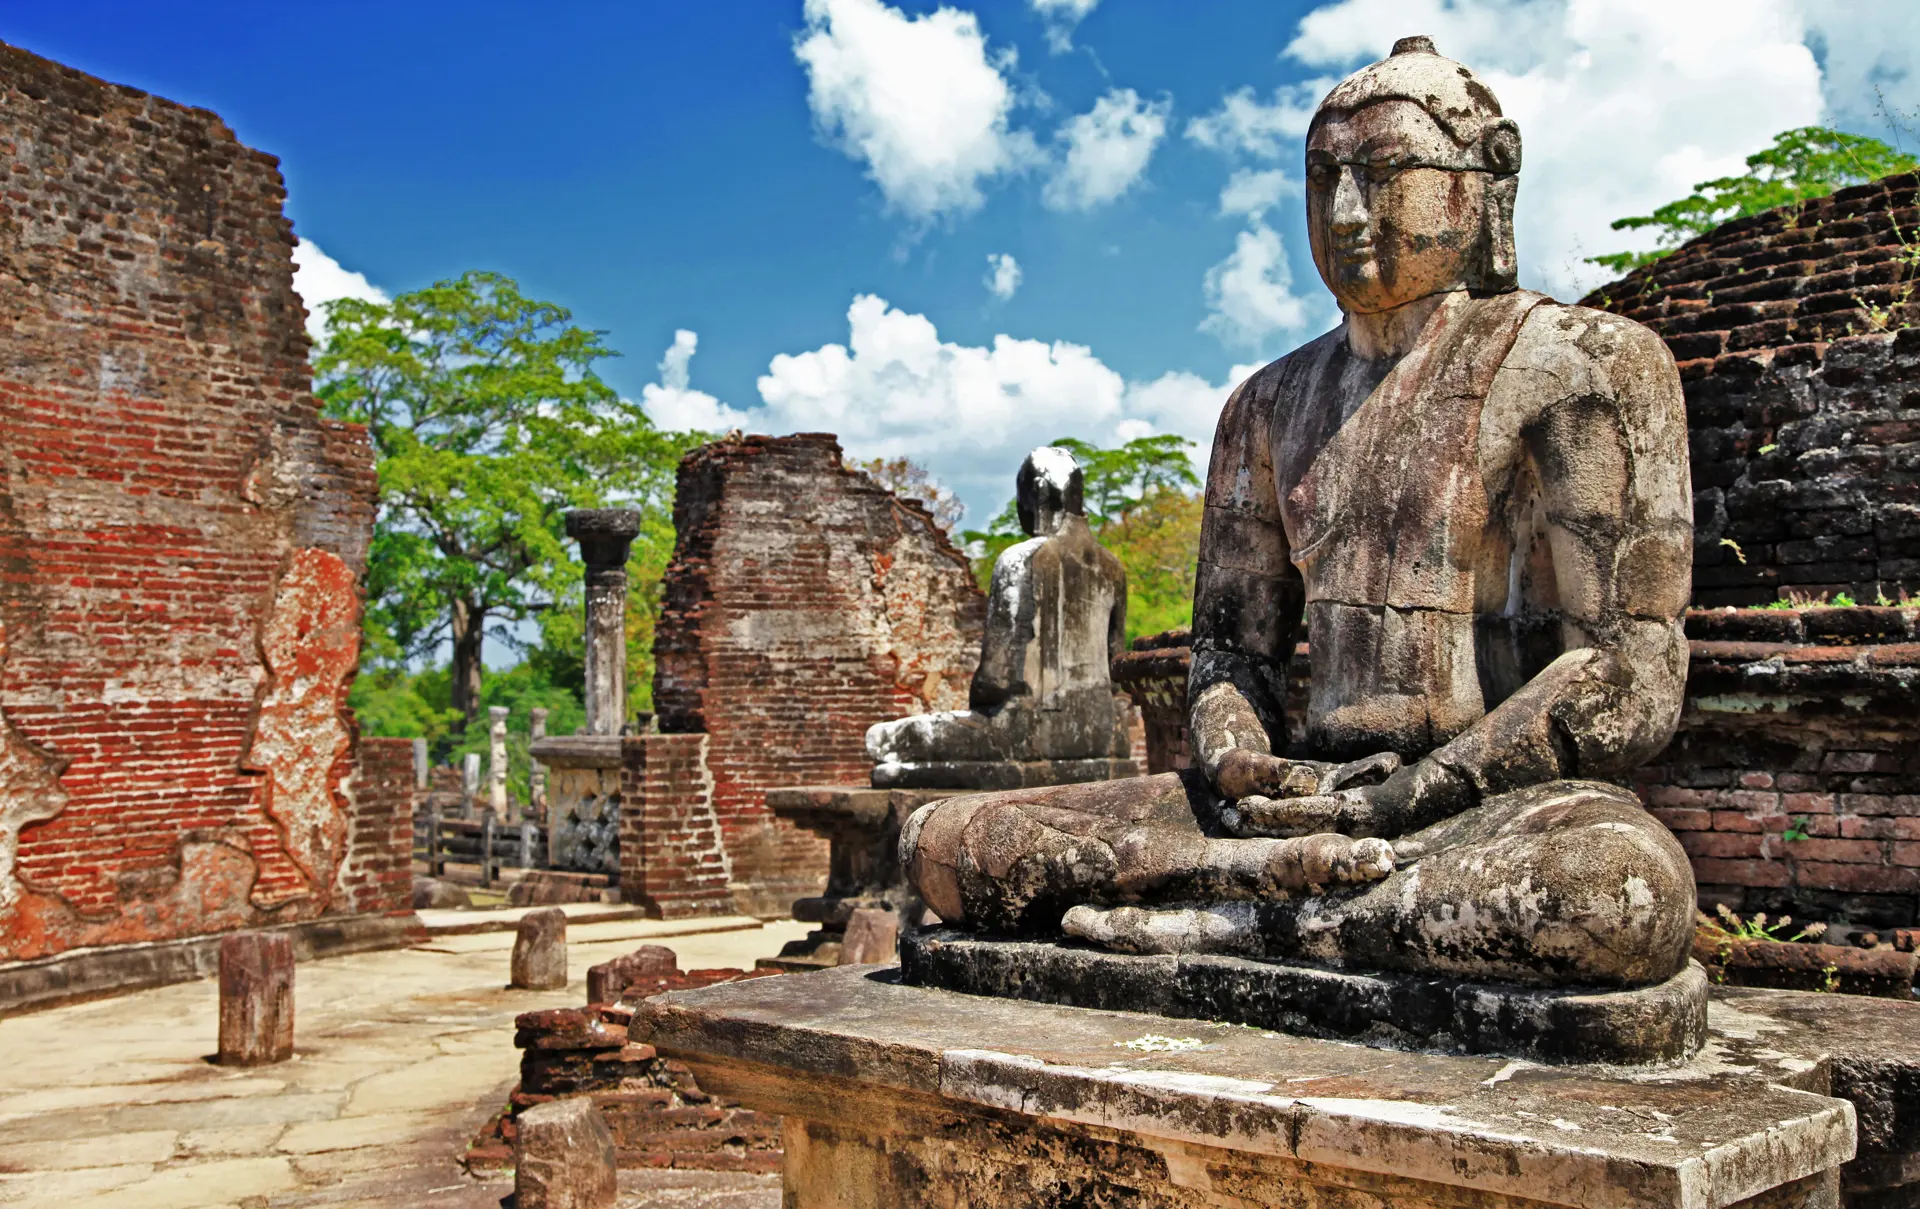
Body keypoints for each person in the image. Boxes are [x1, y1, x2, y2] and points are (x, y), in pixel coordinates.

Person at [901, 36, 1697, 989]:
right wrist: (1238, 754)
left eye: (1386, 173)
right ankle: (1272, 890)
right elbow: (1231, 657)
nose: (1348, 212)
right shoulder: (1266, 405)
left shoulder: (1585, 366)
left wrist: (1408, 797)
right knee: (944, 842)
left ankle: (1237, 916)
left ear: (1486, 178)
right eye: (1323, 179)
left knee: (1615, 894)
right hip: (1296, 801)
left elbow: (1627, 675)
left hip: (1480, 805)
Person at [866, 447, 1130, 788]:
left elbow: (997, 678)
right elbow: (1117, 673)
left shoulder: (1022, 559)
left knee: (884, 740)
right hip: (1102, 734)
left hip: (1027, 732)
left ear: (1036, 491)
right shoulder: (1112, 569)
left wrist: (980, 703)